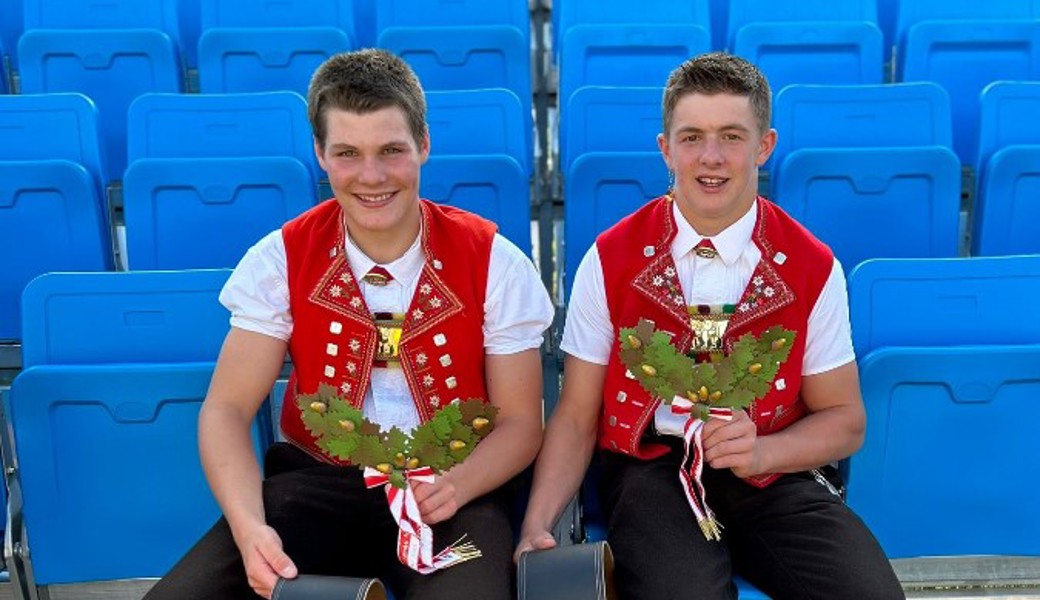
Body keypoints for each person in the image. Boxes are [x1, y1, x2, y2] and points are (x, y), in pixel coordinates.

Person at [145, 48, 553, 600]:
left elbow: (522, 423)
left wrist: (454, 488)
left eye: (391, 150)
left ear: (424, 146)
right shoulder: (281, 258)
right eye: (347, 153)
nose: (371, 176)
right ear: (319, 154)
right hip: (314, 485)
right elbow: (226, 410)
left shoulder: (495, 261)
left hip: (457, 490)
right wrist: (249, 529)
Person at [515, 52, 904, 599]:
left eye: (732, 136)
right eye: (692, 137)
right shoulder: (610, 258)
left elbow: (845, 422)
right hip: (652, 470)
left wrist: (762, 454)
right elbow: (577, 417)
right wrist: (537, 523)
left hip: (773, 467)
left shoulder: (812, 264)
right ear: (665, 148)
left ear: (764, 145)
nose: (711, 158)